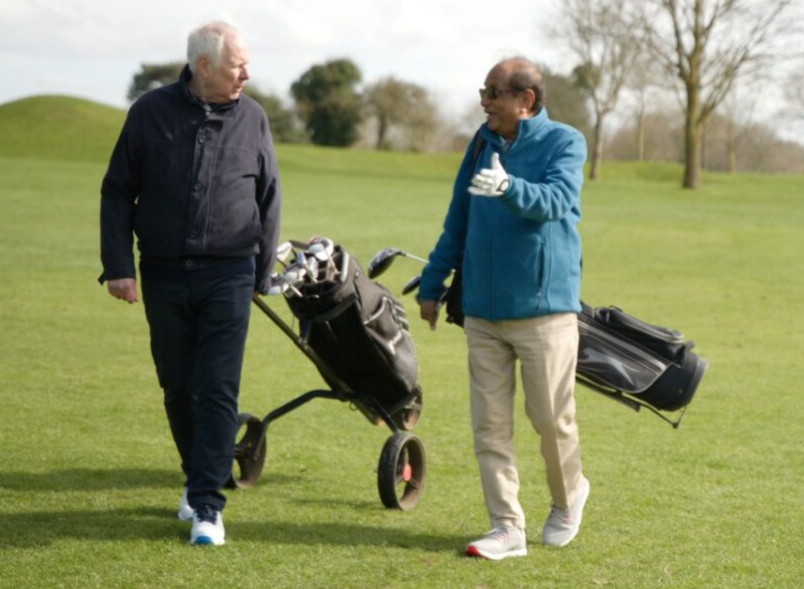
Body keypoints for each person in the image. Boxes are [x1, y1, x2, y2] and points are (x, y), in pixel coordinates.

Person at [99, 21, 281, 546]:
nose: (245, 73)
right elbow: (117, 192)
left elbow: (269, 198)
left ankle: (207, 504)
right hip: (163, 273)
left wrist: (261, 272)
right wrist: (118, 266)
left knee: (219, 387)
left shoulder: (254, 118)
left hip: (230, 273)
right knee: (179, 386)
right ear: (204, 65)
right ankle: (195, 475)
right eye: (236, 65)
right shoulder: (149, 114)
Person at [418, 57, 589, 560]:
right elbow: (459, 216)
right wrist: (433, 281)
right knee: (490, 424)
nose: (484, 102)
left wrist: (511, 188)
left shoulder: (565, 142)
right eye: (483, 91)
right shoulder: (481, 143)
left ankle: (568, 497)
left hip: (543, 311)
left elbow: (557, 200)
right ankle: (506, 527)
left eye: (492, 92)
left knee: (551, 419)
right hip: (483, 312)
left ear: (525, 101)